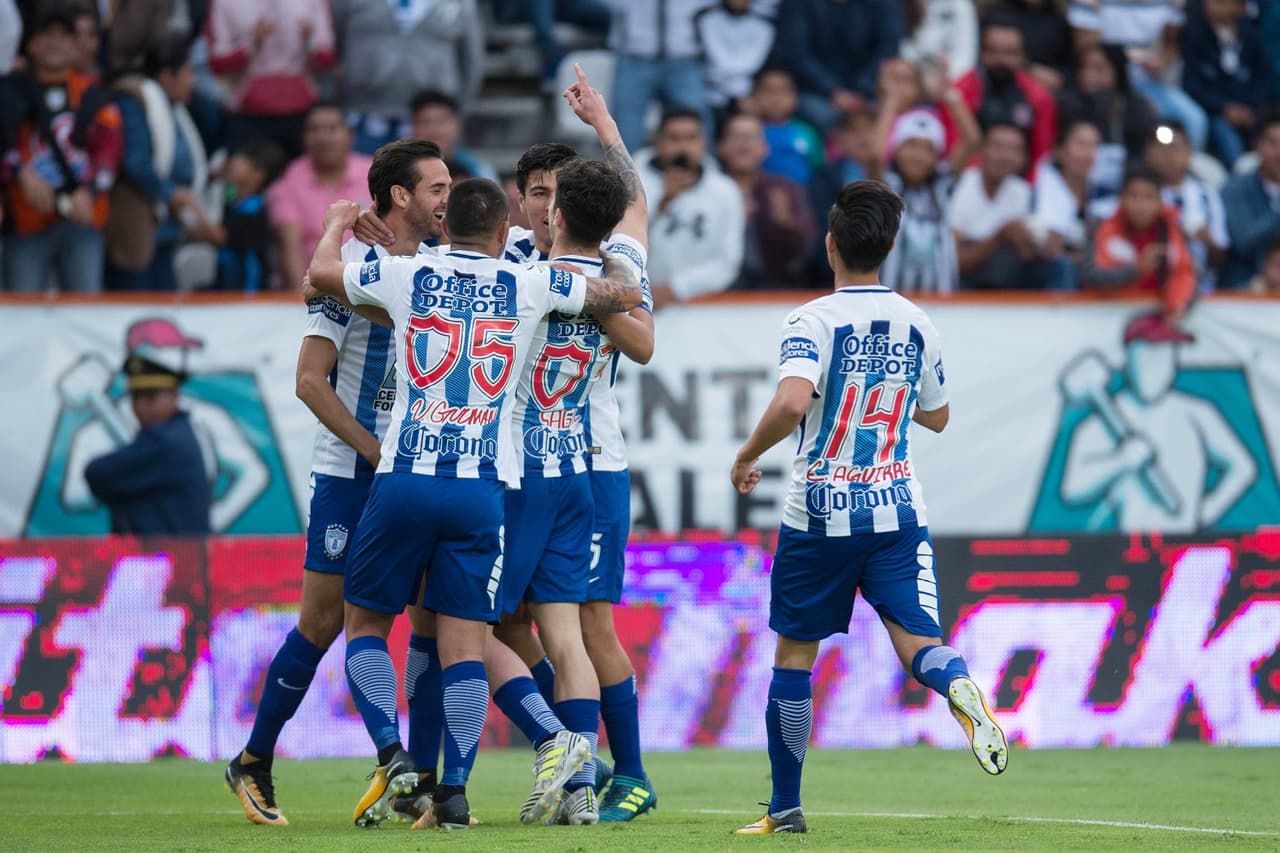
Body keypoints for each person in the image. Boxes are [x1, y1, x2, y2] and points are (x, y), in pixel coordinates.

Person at [305, 178, 643, 830]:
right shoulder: (530, 283)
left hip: (404, 475)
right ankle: (455, 794)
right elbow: (624, 295)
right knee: (466, 645)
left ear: (444, 226)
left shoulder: (407, 274)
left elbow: (320, 274)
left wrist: (337, 224)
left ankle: (395, 755)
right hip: (482, 488)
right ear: (499, 235)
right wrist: (615, 252)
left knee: (367, 625)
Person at [730, 179, 1007, 835]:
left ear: (830, 244)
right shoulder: (918, 321)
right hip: (897, 512)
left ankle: (786, 808)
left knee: (794, 657)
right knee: (922, 644)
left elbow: (795, 401)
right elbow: (937, 416)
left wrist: (746, 454)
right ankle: (958, 684)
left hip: (820, 514)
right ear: (889, 246)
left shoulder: (811, 321)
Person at [224, 138, 451, 828]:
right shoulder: (345, 272)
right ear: (401, 196)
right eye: (436, 187)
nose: (448, 198)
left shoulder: (445, 267)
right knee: (328, 621)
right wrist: (375, 449)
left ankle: (417, 774)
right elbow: (307, 382)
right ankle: (256, 760)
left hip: (418, 473)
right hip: (352, 471)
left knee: (434, 619)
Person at [1061, 313, 1256, 532]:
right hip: (1127, 550)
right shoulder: (1098, 424)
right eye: (1149, 355)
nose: (1157, 365)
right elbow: (1072, 489)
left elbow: (1243, 466)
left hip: (1188, 551)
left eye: (1166, 355)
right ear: (1129, 358)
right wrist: (1120, 461)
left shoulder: (1198, 413)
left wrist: (1209, 509)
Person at [1, 3, 121, 294]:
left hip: (81, 222)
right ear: (31, 44)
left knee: (84, 312)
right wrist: (20, 174)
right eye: (47, 33)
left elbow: (109, 155)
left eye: (64, 34)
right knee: (22, 316)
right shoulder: (9, 92)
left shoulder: (94, 96)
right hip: (26, 223)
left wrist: (90, 190)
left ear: (76, 46)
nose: (55, 41)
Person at [105, 37, 211, 291]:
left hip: (167, 231)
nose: (193, 82)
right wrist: (171, 193)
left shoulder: (174, 108)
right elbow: (135, 162)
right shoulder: (134, 99)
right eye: (188, 73)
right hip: (138, 226)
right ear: (166, 76)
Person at [332, 0, 484, 154]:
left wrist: (450, 115)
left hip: (431, 125)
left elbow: (471, 61)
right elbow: (334, 44)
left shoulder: (461, 3)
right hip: (363, 120)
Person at [84, 353, 212, 535]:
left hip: (168, 561)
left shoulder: (166, 442)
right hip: (162, 559)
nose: (142, 405)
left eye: (151, 396)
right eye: (136, 397)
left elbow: (96, 473)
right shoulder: (171, 435)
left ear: (175, 396)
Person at [869, 91, 981, 293]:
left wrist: (947, 92)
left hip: (941, 297)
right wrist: (891, 104)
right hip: (893, 298)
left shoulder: (942, 186)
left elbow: (972, 140)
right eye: (910, 145)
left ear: (936, 157)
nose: (917, 155)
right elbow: (875, 156)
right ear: (895, 150)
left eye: (927, 148)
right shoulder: (888, 187)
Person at [636, 107, 745, 307]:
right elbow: (614, 242)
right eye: (674, 138)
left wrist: (675, 289)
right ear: (658, 142)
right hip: (636, 304)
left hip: (703, 309)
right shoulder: (630, 182)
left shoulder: (725, 191)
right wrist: (662, 203)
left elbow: (727, 262)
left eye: (691, 138)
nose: (683, 147)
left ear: (703, 142)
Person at [1068, 0, 1207, 151]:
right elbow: (1085, 46)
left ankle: (1183, 170)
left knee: (1194, 119)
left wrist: (1161, 62)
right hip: (1107, 80)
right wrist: (1124, 58)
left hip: (1149, 83)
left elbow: (1171, 42)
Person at [207, 0, 335, 159]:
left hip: (299, 111)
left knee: (304, 178)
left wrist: (309, 42)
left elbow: (327, 59)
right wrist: (252, 43)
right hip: (248, 113)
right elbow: (217, 63)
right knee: (241, 178)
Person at [269, 100, 372, 290]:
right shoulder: (289, 182)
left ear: (350, 136)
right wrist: (300, 303)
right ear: (304, 139)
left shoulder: (374, 173)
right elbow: (290, 246)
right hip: (316, 293)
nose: (323, 138)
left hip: (372, 289)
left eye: (332, 128)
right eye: (314, 130)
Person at [1081, 165, 1196, 321]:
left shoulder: (1171, 231)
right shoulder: (1100, 228)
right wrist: (1137, 270)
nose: (1141, 206)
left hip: (1156, 320)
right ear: (1122, 199)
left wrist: (1178, 305)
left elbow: (1186, 274)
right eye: (1133, 196)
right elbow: (1090, 276)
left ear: (1159, 201)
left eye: (1149, 197)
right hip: (1104, 318)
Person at [718, 111, 817, 289]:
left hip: (775, 291)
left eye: (751, 137)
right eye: (736, 137)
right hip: (715, 292)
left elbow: (808, 250)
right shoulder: (708, 189)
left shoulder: (784, 188)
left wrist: (786, 224)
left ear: (765, 148)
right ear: (721, 147)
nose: (744, 144)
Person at [772, 0, 905, 130]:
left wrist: (862, 89)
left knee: (892, 117)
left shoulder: (885, 4)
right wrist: (833, 91)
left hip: (869, 90)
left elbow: (888, 48)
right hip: (815, 91)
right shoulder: (798, 3)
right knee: (821, 115)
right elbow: (796, 53)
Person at [953, 16, 1057, 175]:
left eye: (1009, 52)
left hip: (1020, 184)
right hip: (969, 179)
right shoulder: (961, 91)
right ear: (981, 53)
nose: (1000, 60)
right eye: (993, 51)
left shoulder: (1039, 97)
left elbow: (1041, 156)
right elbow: (953, 146)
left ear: (1022, 56)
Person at [607, 0, 714, 152]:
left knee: (697, 122)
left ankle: (705, 174)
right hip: (634, 55)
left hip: (684, 58)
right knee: (624, 131)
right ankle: (621, 175)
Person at [1057, 44, 1159, 202]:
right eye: (1084, 68)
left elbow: (1145, 152)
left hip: (1125, 188)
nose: (1088, 75)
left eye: (1099, 69)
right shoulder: (1066, 105)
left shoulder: (1137, 106)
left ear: (1116, 72)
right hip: (1075, 187)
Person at [949, 123, 1037, 289]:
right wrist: (999, 235)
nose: (1005, 156)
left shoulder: (1025, 192)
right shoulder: (959, 185)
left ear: (1023, 158)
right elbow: (955, 261)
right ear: (981, 151)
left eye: (1014, 149)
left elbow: (1027, 256)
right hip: (964, 282)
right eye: (998, 147)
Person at [1143, 121, 1229, 291]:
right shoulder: (1140, 194)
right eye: (1161, 149)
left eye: (1175, 148)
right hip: (1150, 286)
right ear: (1148, 153)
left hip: (1201, 287)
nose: (1168, 156)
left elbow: (1222, 255)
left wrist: (1209, 241)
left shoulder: (1206, 195)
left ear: (1189, 153)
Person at [1181, 0, 1266, 167]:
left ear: (1239, 7)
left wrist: (1250, 107)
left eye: (1221, 2)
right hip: (1215, 111)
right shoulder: (1195, 34)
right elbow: (1192, 85)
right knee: (1226, 135)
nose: (1212, 6)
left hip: (1250, 108)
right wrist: (1223, 108)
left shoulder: (1250, 35)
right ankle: (1238, 177)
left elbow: (1264, 78)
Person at [1029, 119, 1105, 290]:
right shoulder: (1038, 189)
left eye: (1093, 146)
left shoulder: (1102, 192)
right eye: (1081, 144)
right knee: (1063, 267)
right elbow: (1049, 247)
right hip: (1044, 272)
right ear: (1059, 151)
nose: (1088, 153)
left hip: (1089, 269)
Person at [208, 139, 287, 291]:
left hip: (248, 289)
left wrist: (189, 205)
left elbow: (218, 237)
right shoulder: (233, 203)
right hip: (228, 282)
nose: (233, 163)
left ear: (258, 174)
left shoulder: (253, 209)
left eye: (243, 160)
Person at [1220, 112, 1280, 288]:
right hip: (1243, 287)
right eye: (1272, 143)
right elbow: (1241, 241)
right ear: (1257, 145)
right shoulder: (1235, 188)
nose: (1279, 152)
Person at [696, 0, 777, 127]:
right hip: (712, 91)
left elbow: (752, 63)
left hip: (748, 92)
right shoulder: (708, 19)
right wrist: (737, 94)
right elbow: (719, 59)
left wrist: (741, 95)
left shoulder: (764, 24)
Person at [752, 67, 825, 188]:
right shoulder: (752, 131)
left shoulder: (807, 131)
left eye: (783, 91)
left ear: (795, 97)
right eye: (767, 91)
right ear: (754, 96)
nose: (775, 98)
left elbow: (818, 167)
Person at [408, 90, 498, 183]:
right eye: (425, 122)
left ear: (457, 125)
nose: (434, 130)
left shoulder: (479, 170)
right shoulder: (400, 168)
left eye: (441, 121)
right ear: (412, 126)